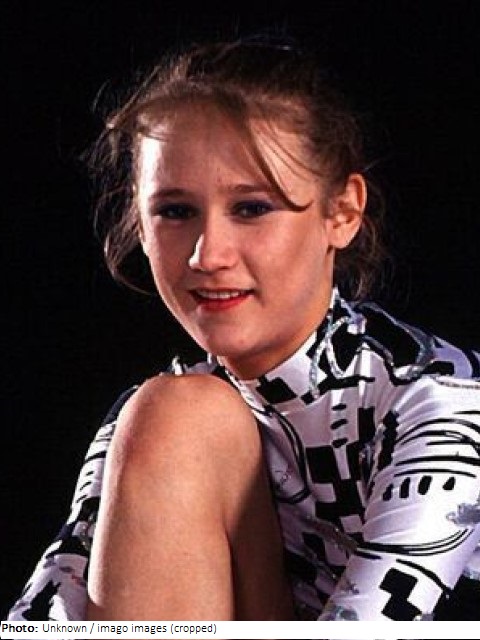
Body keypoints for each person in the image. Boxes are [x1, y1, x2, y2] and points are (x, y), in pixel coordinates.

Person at [7, 35, 480, 622]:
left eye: (252, 208)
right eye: (175, 211)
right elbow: (46, 618)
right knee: (174, 414)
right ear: (141, 223)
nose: (207, 255)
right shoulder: (166, 419)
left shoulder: (441, 403)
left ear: (342, 213)